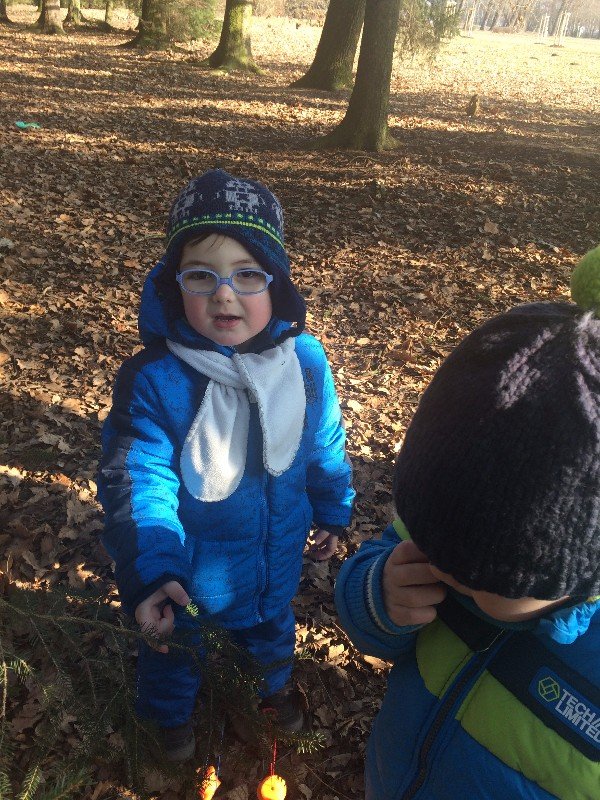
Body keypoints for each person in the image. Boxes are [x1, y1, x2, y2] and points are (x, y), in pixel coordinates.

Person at [98, 169, 354, 761]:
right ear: (173, 286)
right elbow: (138, 479)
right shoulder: (156, 378)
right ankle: (167, 723)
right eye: (201, 275)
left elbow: (323, 440)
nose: (224, 294)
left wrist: (333, 508)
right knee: (174, 653)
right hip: (187, 576)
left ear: (277, 283)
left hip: (274, 558)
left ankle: (266, 693)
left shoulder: (304, 362)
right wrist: (152, 568)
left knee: (269, 630)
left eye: (247, 274)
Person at [335, 247, 600, 799]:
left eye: (477, 576)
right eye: (429, 540)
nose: (441, 569)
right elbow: (370, 602)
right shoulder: (445, 533)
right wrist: (380, 595)